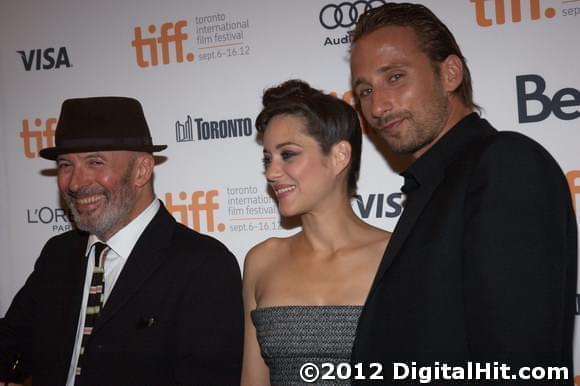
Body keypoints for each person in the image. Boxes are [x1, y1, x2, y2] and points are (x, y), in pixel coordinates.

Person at [349, 2, 577, 385]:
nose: (378, 105)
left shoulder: (504, 164)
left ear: (450, 73)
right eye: (365, 90)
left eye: (396, 77)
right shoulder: (431, 188)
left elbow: (517, 362)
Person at [0, 97, 244, 386]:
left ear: (141, 170)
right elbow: (10, 345)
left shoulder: (203, 266)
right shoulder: (57, 255)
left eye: (95, 162)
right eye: (66, 165)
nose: (75, 183)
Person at [241, 80, 390, 385]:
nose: (271, 172)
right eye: (268, 158)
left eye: (288, 154)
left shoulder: (396, 255)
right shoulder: (262, 261)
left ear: (339, 156)